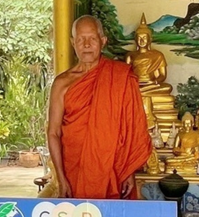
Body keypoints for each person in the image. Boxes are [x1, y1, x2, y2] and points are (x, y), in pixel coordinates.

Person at [48, 15, 152, 199]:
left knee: (111, 215)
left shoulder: (118, 76)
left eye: (92, 39)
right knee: (78, 215)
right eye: (81, 39)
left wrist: (128, 171)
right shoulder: (62, 83)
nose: (86, 45)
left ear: (103, 41)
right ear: (73, 43)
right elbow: (53, 133)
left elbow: (131, 126)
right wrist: (61, 179)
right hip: (74, 169)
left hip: (113, 168)